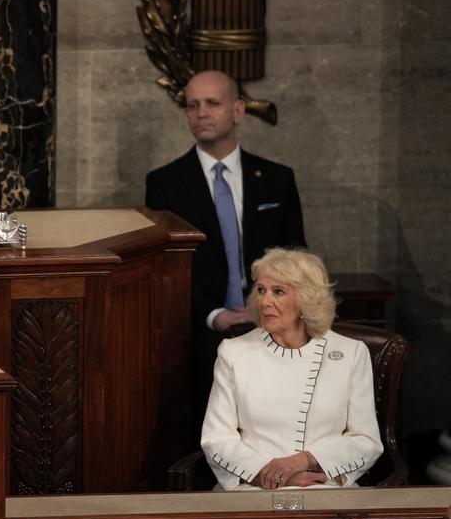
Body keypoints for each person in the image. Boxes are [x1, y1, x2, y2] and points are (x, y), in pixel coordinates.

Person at [145, 69, 306, 438]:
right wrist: (214, 316)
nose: (201, 112)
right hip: (201, 336)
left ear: (238, 111)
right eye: (192, 105)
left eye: (212, 103)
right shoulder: (165, 183)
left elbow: (297, 258)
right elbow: (165, 269)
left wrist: (273, 311)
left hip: (273, 331)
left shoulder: (277, 178)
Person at [201, 249, 382, 490]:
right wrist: (274, 477)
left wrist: (305, 460)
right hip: (252, 486)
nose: (265, 301)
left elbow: (367, 442)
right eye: (261, 290)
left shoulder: (351, 353)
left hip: (323, 483)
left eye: (278, 292)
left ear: (306, 299)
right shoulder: (233, 352)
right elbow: (216, 440)